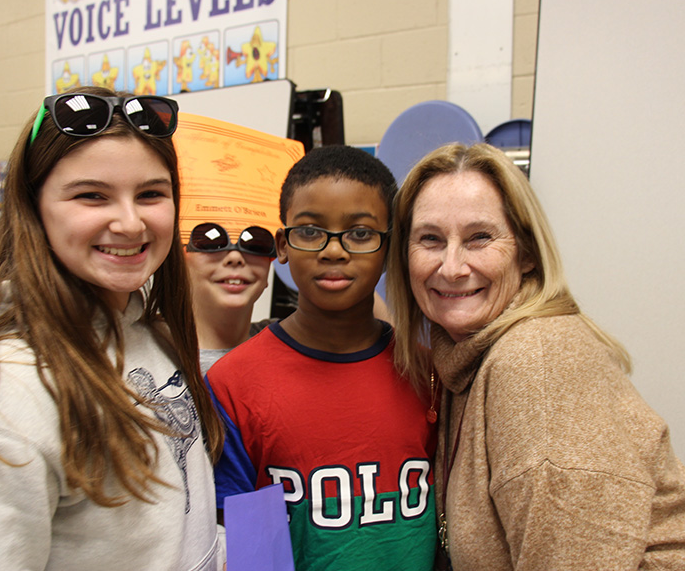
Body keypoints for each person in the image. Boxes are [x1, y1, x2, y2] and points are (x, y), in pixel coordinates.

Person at [0, 86, 225, 570]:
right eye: (92, 196)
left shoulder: (151, 334)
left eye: (151, 194)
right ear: (33, 206)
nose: (131, 223)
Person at [387, 142, 685, 570]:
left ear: (525, 252)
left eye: (479, 238)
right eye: (430, 240)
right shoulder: (466, 352)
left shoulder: (534, 364)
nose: (451, 267)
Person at [208, 145, 438, 570]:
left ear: (390, 249)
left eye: (361, 233)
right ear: (282, 246)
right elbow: (251, 555)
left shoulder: (430, 374)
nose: (334, 251)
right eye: (311, 231)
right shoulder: (233, 384)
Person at [183, 222, 277, 374]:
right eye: (211, 243)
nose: (235, 257)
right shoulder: (144, 344)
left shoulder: (289, 343)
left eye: (255, 244)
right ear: (181, 263)